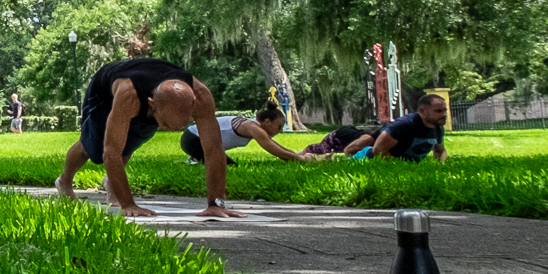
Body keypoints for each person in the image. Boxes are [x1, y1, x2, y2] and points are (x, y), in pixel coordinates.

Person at [54, 54, 241, 218]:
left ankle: (112, 185)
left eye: (181, 124)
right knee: (92, 146)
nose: (172, 130)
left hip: (151, 94)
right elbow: (110, 152)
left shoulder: (201, 97)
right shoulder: (129, 95)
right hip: (104, 91)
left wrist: (216, 204)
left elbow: (214, 150)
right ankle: (64, 181)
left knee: (130, 141)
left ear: (193, 105)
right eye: (167, 125)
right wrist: (129, 205)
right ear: (151, 104)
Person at [178, 105, 320, 164]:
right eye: (279, 126)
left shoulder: (256, 127)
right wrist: (301, 159)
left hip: (196, 139)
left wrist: (298, 154)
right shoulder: (252, 127)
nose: (280, 130)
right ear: (266, 122)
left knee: (227, 165)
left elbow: (277, 146)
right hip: (193, 138)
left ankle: (196, 159)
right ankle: (195, 160)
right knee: (229, 168)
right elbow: (275, 151)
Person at [373, 94, 451, 161]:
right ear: (422, 111)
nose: (444, 114)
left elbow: (439, 151)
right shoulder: (404, 124)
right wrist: (401, 167)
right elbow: (378, 150)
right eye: (438, 111)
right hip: (369, 159)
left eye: (445, 111)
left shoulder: (437, 128)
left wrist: (443, 166)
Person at [300, 124, 375, 158]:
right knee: (320, 150)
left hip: (347, 136)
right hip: (338, 137)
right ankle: (299, 154)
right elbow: (348, 150)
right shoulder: (368, 139)